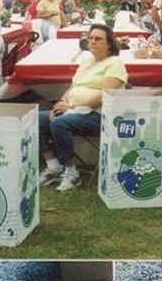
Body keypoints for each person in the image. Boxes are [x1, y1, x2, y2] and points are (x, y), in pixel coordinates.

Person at [38, 23, 128, 193]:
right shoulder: (87, 62)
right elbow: (74, 86)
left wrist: (70, 107)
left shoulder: (114, 63)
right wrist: (61, 103)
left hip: (99, 115)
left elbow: (104, 95)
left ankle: (72, 173)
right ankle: (53, 165)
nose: (92, 41)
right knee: (35, 119)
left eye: (98, 39)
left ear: (109, 43)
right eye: (90, 38)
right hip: (75, 111)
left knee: (59, 123)